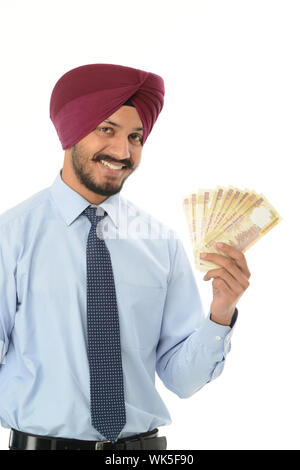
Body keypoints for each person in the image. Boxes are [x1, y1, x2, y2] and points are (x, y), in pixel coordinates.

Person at [0, 64, 251, 451]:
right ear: (72, 129)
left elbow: (181, 380)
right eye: (107, 130)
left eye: (136, 136)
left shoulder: (161, 244)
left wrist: (221, 311)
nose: (123, 151)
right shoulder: (11, 236)